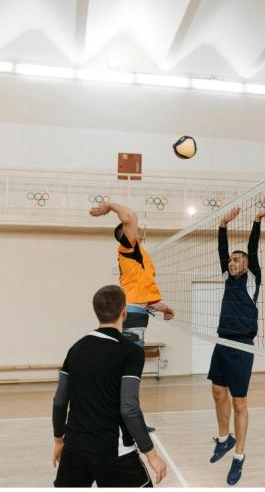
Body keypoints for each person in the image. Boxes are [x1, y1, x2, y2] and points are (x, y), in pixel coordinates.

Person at [52, 284, 167, 487]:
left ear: (97, 312)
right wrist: (151, 454)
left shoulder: (76, 349)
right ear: (124, 312)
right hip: (113, 451)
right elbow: (129, 409)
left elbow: (60, 402)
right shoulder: (131, 352)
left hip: (74, 448)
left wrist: (59, 440)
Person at [90, 199, 174, 432]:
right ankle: (128, 419)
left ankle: (125, 417)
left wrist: (163, 307)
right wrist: (110, 205)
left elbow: (145, 295)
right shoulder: (128, 247)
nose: (135, 229)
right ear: (126, 234)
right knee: (128, 372)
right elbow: (130, 217)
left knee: (128, 371)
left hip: (138, 315)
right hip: (131, 317)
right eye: (131, 230)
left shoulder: (141, 258)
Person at [209, 206, 265, 486]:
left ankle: (239, 456)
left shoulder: (251, 279)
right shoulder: (227, 278)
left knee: (239, 403)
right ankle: (225, 440)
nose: (231, 262)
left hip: (242, 346)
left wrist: (256, 220)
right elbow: (221, 251)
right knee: (217, 392)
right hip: (222, 341)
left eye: (237, 260)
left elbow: (252, 247)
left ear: (247, 265)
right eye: (230, 260)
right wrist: (222, 226)